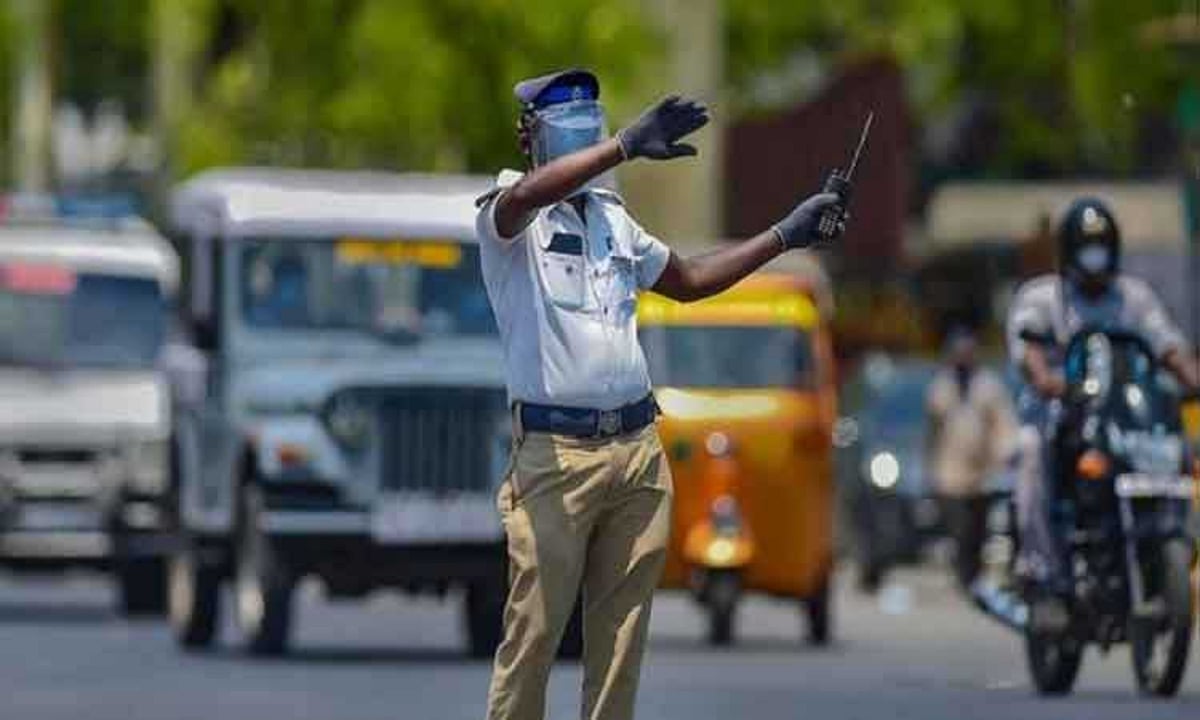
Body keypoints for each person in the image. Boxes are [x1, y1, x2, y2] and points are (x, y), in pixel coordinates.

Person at [475, 68, 844, 720]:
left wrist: (786, 233)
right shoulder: (511, 216)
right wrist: (622, 146)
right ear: (527, 136)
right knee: (533, 633)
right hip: (557, 457)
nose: (581, 138)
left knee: (620, 645)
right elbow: (530, 194)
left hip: (637, 450)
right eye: (567, 128)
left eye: (588, 125)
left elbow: (692, 279)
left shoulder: (613, 220)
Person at [1005, 197, 1199, 622]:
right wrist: (1048, 381)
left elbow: (1169, 348)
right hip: (1060, 420)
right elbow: (1029, 351)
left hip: (1121, 422)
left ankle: (1156, 551)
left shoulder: (1134, 298)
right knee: (1031, 455)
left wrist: (1190, 378)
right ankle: (1046, 577)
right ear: (1068, 250)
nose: (1096, 256)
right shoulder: (1042, 298)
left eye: (1103, 245)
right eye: (1087, 246)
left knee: (1180, 454)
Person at [924, 327, 1015, 590]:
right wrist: (929, 467)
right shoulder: (940, 386)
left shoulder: (989, 386)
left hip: (982, 474)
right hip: (949, 473)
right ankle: (964, 576)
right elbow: (933, 429)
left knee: (977, 530)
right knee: (959, 529)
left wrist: (1003, 457)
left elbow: (1003, 426)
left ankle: (973, 577)